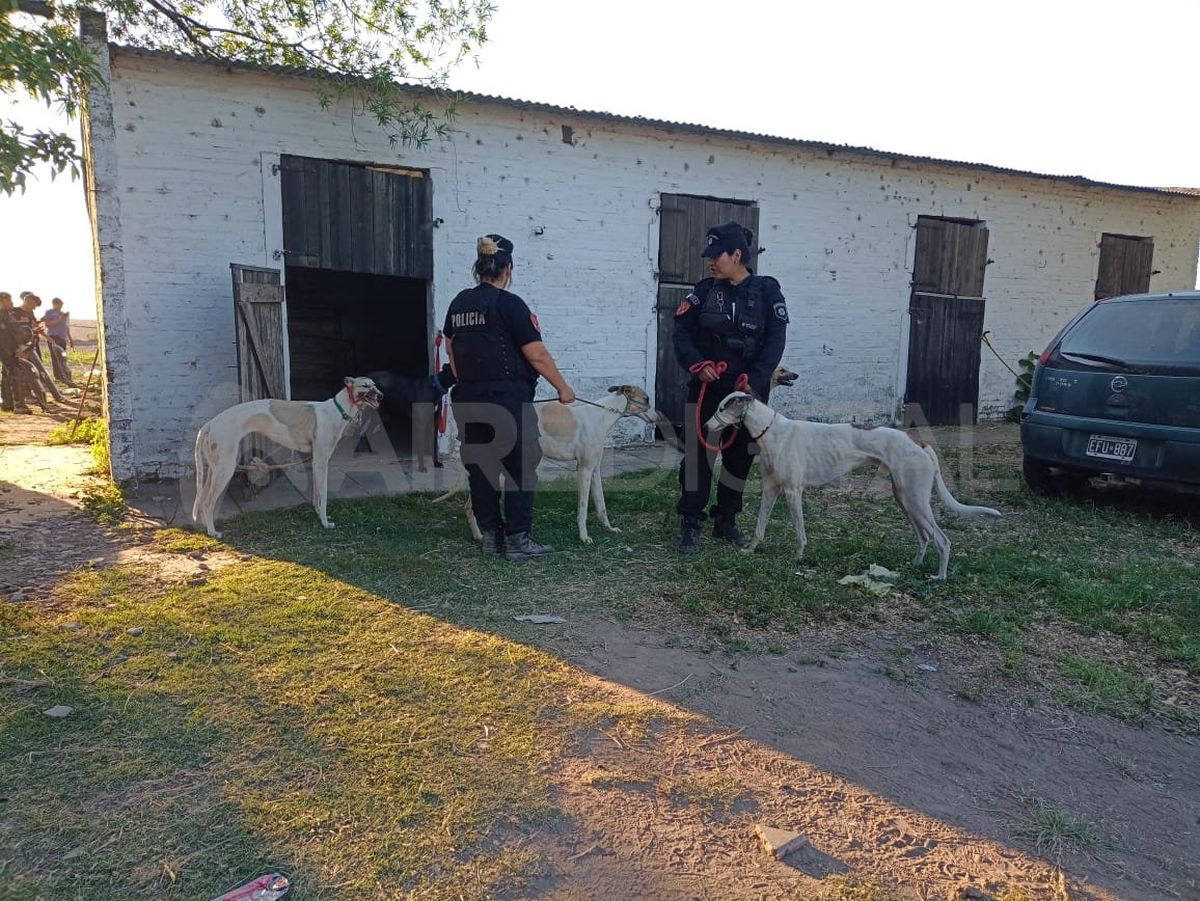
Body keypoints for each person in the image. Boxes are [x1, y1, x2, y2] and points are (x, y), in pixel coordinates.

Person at [443, 234, 575, 560]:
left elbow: (451, 351)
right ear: (508, 268)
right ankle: (517, 540)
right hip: (507, 401)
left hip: (469, 399)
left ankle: (491, 537)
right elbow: (537, 354)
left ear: (478, 267)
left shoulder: (459, 303)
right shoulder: (510, 304)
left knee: (482, 467)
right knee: (521, 466)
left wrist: (469, 381)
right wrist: (563, 388)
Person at [672, 221, 788, 555]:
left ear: (736, 255)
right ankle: (691, 522)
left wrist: (755, 379)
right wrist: (697, 363)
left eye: (716, 255)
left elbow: (775, 339)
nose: (710, 262)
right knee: (698, 456)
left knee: (739, 457)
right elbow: (681, 333)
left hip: (748, 392)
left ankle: (727, 521)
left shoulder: (767, 291)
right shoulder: (704, 291)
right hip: (707, 387)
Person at [0, 292, 31, 414]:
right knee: (15, 374)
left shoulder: (8, 314)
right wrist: (15, 349)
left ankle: (7, 404)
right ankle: (19, 405)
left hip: (9, 349)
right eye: (9, 300)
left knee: (7, 376)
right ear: (2, 301)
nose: (12, 303)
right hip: (6, 349)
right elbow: (6, 336)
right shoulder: (2, 316)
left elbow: (15, 332)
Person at [40, 297, 75, 386]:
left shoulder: (63, 314)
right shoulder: (49, 313)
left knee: (63, 357)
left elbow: (66, 327)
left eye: (62, 304)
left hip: (63, 338)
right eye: (59, 304)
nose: (61, 306)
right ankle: (58, 377)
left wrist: (70, 339)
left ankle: (65, 375)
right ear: (55, 304)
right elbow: (48, 324)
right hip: (54, 337)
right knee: (56, 357)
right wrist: (60, 319)